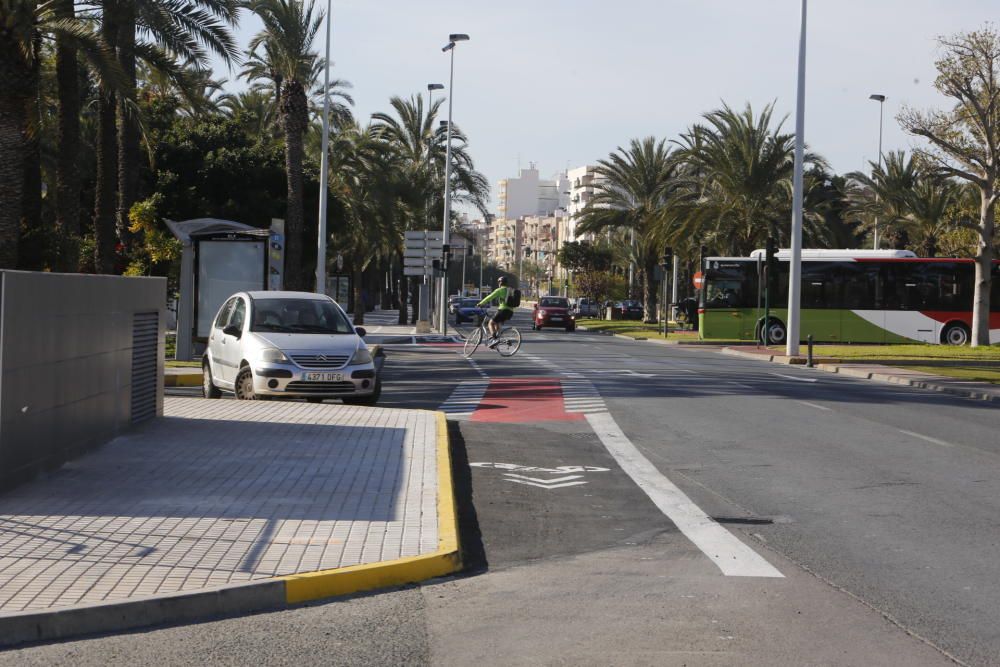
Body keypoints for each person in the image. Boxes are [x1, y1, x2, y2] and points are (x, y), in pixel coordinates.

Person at [477, 276, 514, 348]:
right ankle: (500, 339)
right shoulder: (510, 290)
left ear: (500, 283)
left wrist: (481, 303)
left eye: (499, 282)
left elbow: (490, 297)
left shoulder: (500, 290)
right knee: (497, 323)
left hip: (503, 310)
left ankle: (494, 340)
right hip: (510, 312)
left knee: (490, 323)